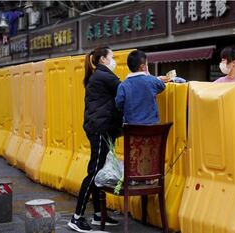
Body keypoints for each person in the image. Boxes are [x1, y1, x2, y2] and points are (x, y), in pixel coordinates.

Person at [69, 46, 122, 232]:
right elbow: (125, 89)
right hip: (100, 129)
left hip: (101, 128)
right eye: (112, 57)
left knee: (100, 171)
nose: (114, 60)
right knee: (94, 172)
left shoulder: (98, 75)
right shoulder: (104, 75)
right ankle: (76, 217)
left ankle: (99, 214)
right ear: (103, 60)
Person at [115, 50, 169, 125]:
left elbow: (119, 104)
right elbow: (162, 86)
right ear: (143, 67)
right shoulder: (151, 80)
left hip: (132, 128)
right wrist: (148, 75)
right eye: (147, 64)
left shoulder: (123, 85)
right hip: (151, 126)